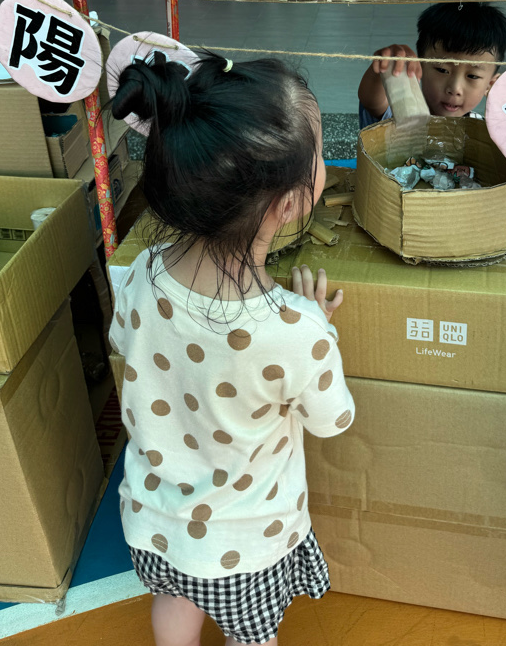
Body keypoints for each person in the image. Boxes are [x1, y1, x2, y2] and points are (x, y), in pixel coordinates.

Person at [109, 51, 354, 646]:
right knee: (253, 635)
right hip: (246, 545)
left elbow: (127, 340)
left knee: (173, 603)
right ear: (289, 203)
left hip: (153, 522)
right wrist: (318, 326)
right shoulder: (296, 331)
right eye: (320, 155)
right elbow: (333, 420)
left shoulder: (140, 270)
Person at [357, 2, 506, 127]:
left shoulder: (484, 131)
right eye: (442, 70)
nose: (454, 89)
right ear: (419, 67)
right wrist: (385, 66)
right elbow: (371, 101)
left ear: (491, 85)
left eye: (472, 76)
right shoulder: (401, 113)